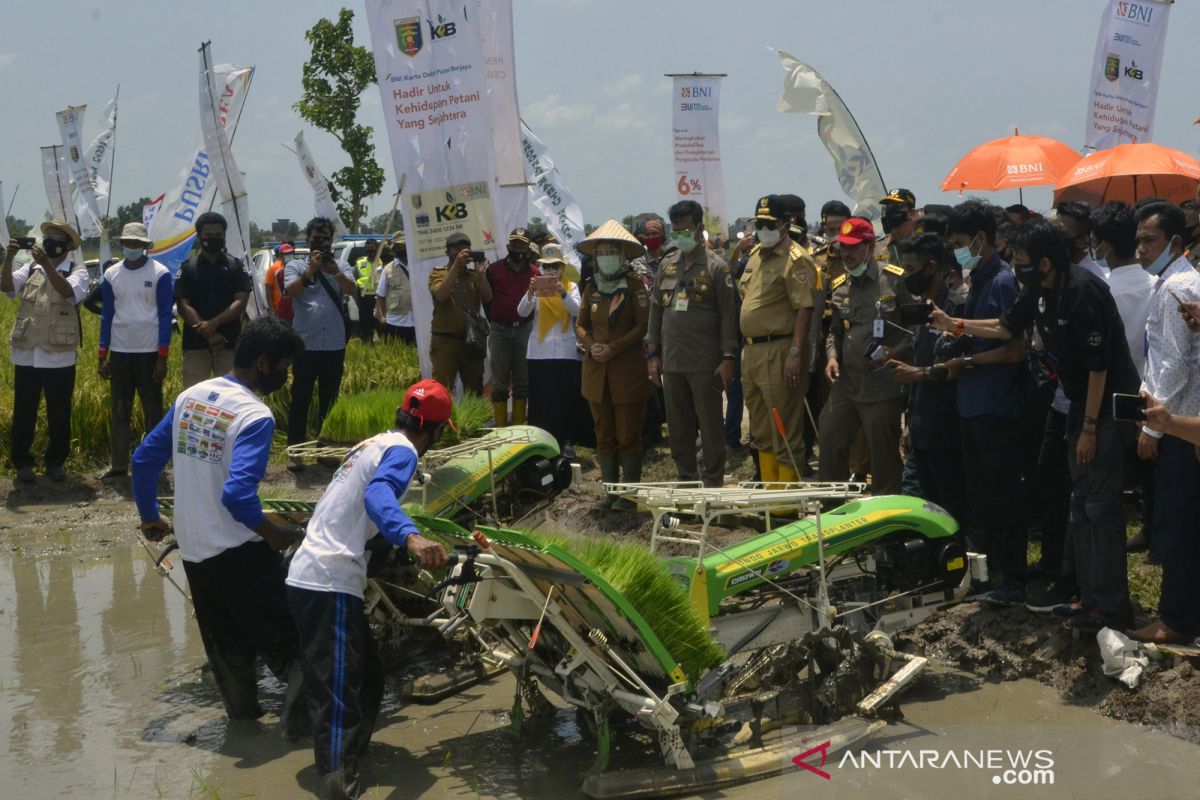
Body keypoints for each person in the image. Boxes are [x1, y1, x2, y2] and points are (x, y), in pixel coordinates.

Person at [935, 220, 1140, 633]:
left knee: (1100, 509)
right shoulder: (1041, 292)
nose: (1017, 268)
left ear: (1045, 262)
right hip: (1081, 406)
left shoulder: (1082, 291)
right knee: (1080, 507)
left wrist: (1088, 428)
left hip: (1106, 410)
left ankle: (1113, 608)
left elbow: (1101, 368)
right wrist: (956, 324)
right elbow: (1004, 327)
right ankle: (1090, 596)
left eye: (1023, 261)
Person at [130, 317, 309, 737]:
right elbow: (237, 496)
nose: (286, 375)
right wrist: (275, 534)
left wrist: (148, 514)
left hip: (194, 551)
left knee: (229, 653)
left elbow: (143, 460)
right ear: (264, 363)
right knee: (295, 648)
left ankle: (244, 733)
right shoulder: (254, 415)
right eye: (284, 366)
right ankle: (297, 736)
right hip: (237, 549)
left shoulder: (192, 396)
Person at [287, 379, 451, 800]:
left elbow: (356, 510)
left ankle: (334, 748)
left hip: (306, 573)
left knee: (368, 673)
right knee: (339, 689)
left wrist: (394, 536)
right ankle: (339, 782)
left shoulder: (370, 444)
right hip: (330, 578)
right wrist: (412, 538)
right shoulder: (405, 452)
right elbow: (379, 496)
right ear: (437, 431)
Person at [934, 199, 1027, 605]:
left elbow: (1014, 347)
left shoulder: (1004, 281)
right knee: (979, 498)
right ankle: (986, 574)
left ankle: (1014, 578)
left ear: (981, 238)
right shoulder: (978, 278)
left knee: (1003, 495)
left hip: (996, 404)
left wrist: (965, 349)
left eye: (959, 242)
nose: (958, 249)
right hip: (972, 402)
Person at [1129, 201, 1200, 644]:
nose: (1139, 249)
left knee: (1177, 524)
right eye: (1137, 240)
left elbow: (1173, 366)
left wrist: (1154, 427)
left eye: (1148, 241)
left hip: (1180, 424)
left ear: (1175, 242)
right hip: (1181, 419)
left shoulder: (1181, 287)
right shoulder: (1171, 281)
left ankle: (1175, 619)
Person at [646, 200, 738, 487]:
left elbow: (728, 317)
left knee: (710, 428)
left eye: (685, 230)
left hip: (705, 363)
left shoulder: (716, 268)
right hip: (672, 363)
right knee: (679, 429)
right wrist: (652, 354)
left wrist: (727, 358)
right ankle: (686, 481)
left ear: (700, 229)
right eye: (676, 230)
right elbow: (656, 312)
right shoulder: (667, 265)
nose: (680, 235)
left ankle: (712, 485)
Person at [818, 217, 913, 493]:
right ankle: (831, 507)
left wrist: (894, 352)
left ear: (870, 247)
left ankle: (886, 516)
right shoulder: (839, 285)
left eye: (853, 248)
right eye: (843, 248)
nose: (846, 255)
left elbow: (915, 330)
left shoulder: (895, 280)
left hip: (881, 385)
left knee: (883, 454)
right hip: (847, 384)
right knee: (830, 435)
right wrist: (832, 357)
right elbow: (835, 331)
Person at [885, 234, 966, 523]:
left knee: (950, 507)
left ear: (930, 268)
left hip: (947, 428)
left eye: (909, 269)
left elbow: (954, 368)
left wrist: (915, 374)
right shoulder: (923, 308)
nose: (906, 276)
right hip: (921, 427)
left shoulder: (956, 309)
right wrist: (909, 425)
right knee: (921, 505)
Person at [738, 195, 819, 485]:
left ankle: (784, 504)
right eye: (759, 223)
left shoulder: (796, 259)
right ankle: (768, 494)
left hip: (780, 349)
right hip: (751, 352)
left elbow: (804, 309)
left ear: (787, 224)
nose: (763, 229)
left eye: (769, 224)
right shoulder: (757, 255)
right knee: (759, 428)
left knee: (784, 428)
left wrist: (796, 353)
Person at [2, 219, 90, 483]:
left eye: (55, 239)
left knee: (59, 412)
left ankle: (55, 463)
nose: (49, 243)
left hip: (59, 355)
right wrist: (8, 258)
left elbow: (67, 292)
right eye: (46, 238)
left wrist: (48, 265)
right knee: (24, 410)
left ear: (66, 246)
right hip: (27, 353)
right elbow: (6, 287)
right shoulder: (29, 268)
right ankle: (22, 462)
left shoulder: (78, 271)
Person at [1094, 202, 1156, 557]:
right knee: (1149, 467)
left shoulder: (1101, 288)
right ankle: (1151, 526)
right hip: (1149, 386)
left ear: (1102, 245)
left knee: (1112, 470)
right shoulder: (1155, 284)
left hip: (1111, 388)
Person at [576, 220, 650, 510]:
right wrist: (590, 342)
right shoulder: (591, 286)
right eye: (601, 251)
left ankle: (629, 495)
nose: (605, 256)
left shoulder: (634, 287)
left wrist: (612, 349)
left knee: (628, 434)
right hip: (596, 373)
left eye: (610, 251)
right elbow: (580, 323)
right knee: (603, 434)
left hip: (626, 371)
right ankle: (610, 491)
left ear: (622, 255)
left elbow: (642, 326)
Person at [98, 222, 174, 479]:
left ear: (144, 247)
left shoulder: (160, 273)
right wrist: (102, 354)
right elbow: (107, 315)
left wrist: (162, 357)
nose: (132, 248)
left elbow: (165, 315)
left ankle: (155, 464)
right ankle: (119, 464)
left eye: (137, 244)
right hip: (120, 350)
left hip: (149, 350)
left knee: (153, 408)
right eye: (128, 243)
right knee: (120, 408)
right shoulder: (111, 275)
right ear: (122, 245)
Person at [284, 217, 357, 470]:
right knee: (300, 398)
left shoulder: (342, 265)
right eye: (317, 238)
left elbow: (352, 290)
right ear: (308, 239)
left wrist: (334, 271)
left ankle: (325, 450)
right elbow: (291, 291)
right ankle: (296, 452)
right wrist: (311, 271)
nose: (321, 242)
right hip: (305, 343)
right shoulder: (294, 265)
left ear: (332, 240)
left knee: (330, 398)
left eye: (326, 238)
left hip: (334, 343)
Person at [517, 243, 589, 456]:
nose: (550, 271)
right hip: (540, 352)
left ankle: (565, 440)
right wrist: (530, 293)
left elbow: (577, 311)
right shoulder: (536, 289)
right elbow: (521, 312)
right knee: (541, 399)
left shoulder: (571, 286)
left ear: (562, 268)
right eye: (546, 267)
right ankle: (541, 441)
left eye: (555, 267)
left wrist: (562, 293)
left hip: (565, 353)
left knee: (564, 397)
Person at [175, 213, 252, 388]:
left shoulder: (236, 266)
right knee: (194, 398)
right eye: (209, 236)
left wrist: (214, 323)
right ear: (199, 237)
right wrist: (209, 332)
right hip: (196, 346)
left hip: (229, 345)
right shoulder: (188, 268)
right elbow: (182, 304)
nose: (214, 239)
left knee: (231, 396)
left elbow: (241, 301)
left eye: (218, 236)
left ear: (224, 236)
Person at [486, 228, 539, 427]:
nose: (517, 248)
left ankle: (517, 426)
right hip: (500, 330)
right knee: (499, 383)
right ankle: (500, 427)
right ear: (508, 246)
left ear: (527, 248)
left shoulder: (535, 273)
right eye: (514, 244)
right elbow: (487, 300)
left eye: (522, 245)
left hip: (525, 331)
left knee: (522, 383)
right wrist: (496, 318)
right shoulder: (494, 270)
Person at [429, 233, 492, 395]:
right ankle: (443, 421)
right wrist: (455, 268)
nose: (462, 253)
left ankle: (473, 421)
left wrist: (480, 276)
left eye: (466, 250)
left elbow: (488, 297)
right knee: (441, 391)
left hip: (471, 343)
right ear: (448, 252)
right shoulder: (439, 274)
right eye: (457, 250)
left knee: (475, 391)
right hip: (445, 342)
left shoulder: (473, 276)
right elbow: (441, 295)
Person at [373, 239, 415, 344]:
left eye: (402, 246)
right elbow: (380, 296)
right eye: (397, 248)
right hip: (395, 322)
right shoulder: (388, 269)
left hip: (418, 321)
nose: (401, 250)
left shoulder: (418, 265)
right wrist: (382, 318)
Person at [1054, 202, 1105, 280]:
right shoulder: (1059, 272)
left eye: (1061, 234)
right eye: (1054, 232)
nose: (1053, 238)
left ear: (1082, 241)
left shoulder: (1092, 279)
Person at [876, 188, 918, 266]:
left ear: (911, 213)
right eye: (888, 207)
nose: (890, 211)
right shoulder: (875, 249)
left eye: (896, 207)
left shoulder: (924, 246)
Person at [353, 239, 379, 342]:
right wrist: (357, 301)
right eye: (368, 250)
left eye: (373, 250)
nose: (370, 253)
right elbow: (354, 282)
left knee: (379, 323)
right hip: (365, 298)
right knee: (365, 325)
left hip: (379, 298)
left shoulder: (383, 261)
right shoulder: (360, 263)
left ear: (377, 249)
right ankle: (366, 344)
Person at [267, 243, 295, 321]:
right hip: (285, 307)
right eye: (286, 254)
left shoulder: (300, 268)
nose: (289, 256)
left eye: (290, 253)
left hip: (298, 308)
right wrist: (272, 310)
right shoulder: (279, 273)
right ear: (281, 255)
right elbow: (269, 290)